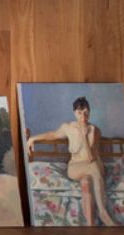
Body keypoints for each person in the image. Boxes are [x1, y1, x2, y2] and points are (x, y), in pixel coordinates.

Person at [26, 97, 117, 226]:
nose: (83, 116)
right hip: (75, 167)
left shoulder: (94, 130)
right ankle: (103, 213)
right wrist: (33, 138)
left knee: (86, 181)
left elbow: (90, 157)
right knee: (93, 168)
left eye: (86, 112)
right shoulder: (68, 127)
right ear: (74, 113)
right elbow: (53, 134)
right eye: (80, 113)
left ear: (89, 112)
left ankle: (90, 225)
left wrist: (85, 135)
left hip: (93, 165)